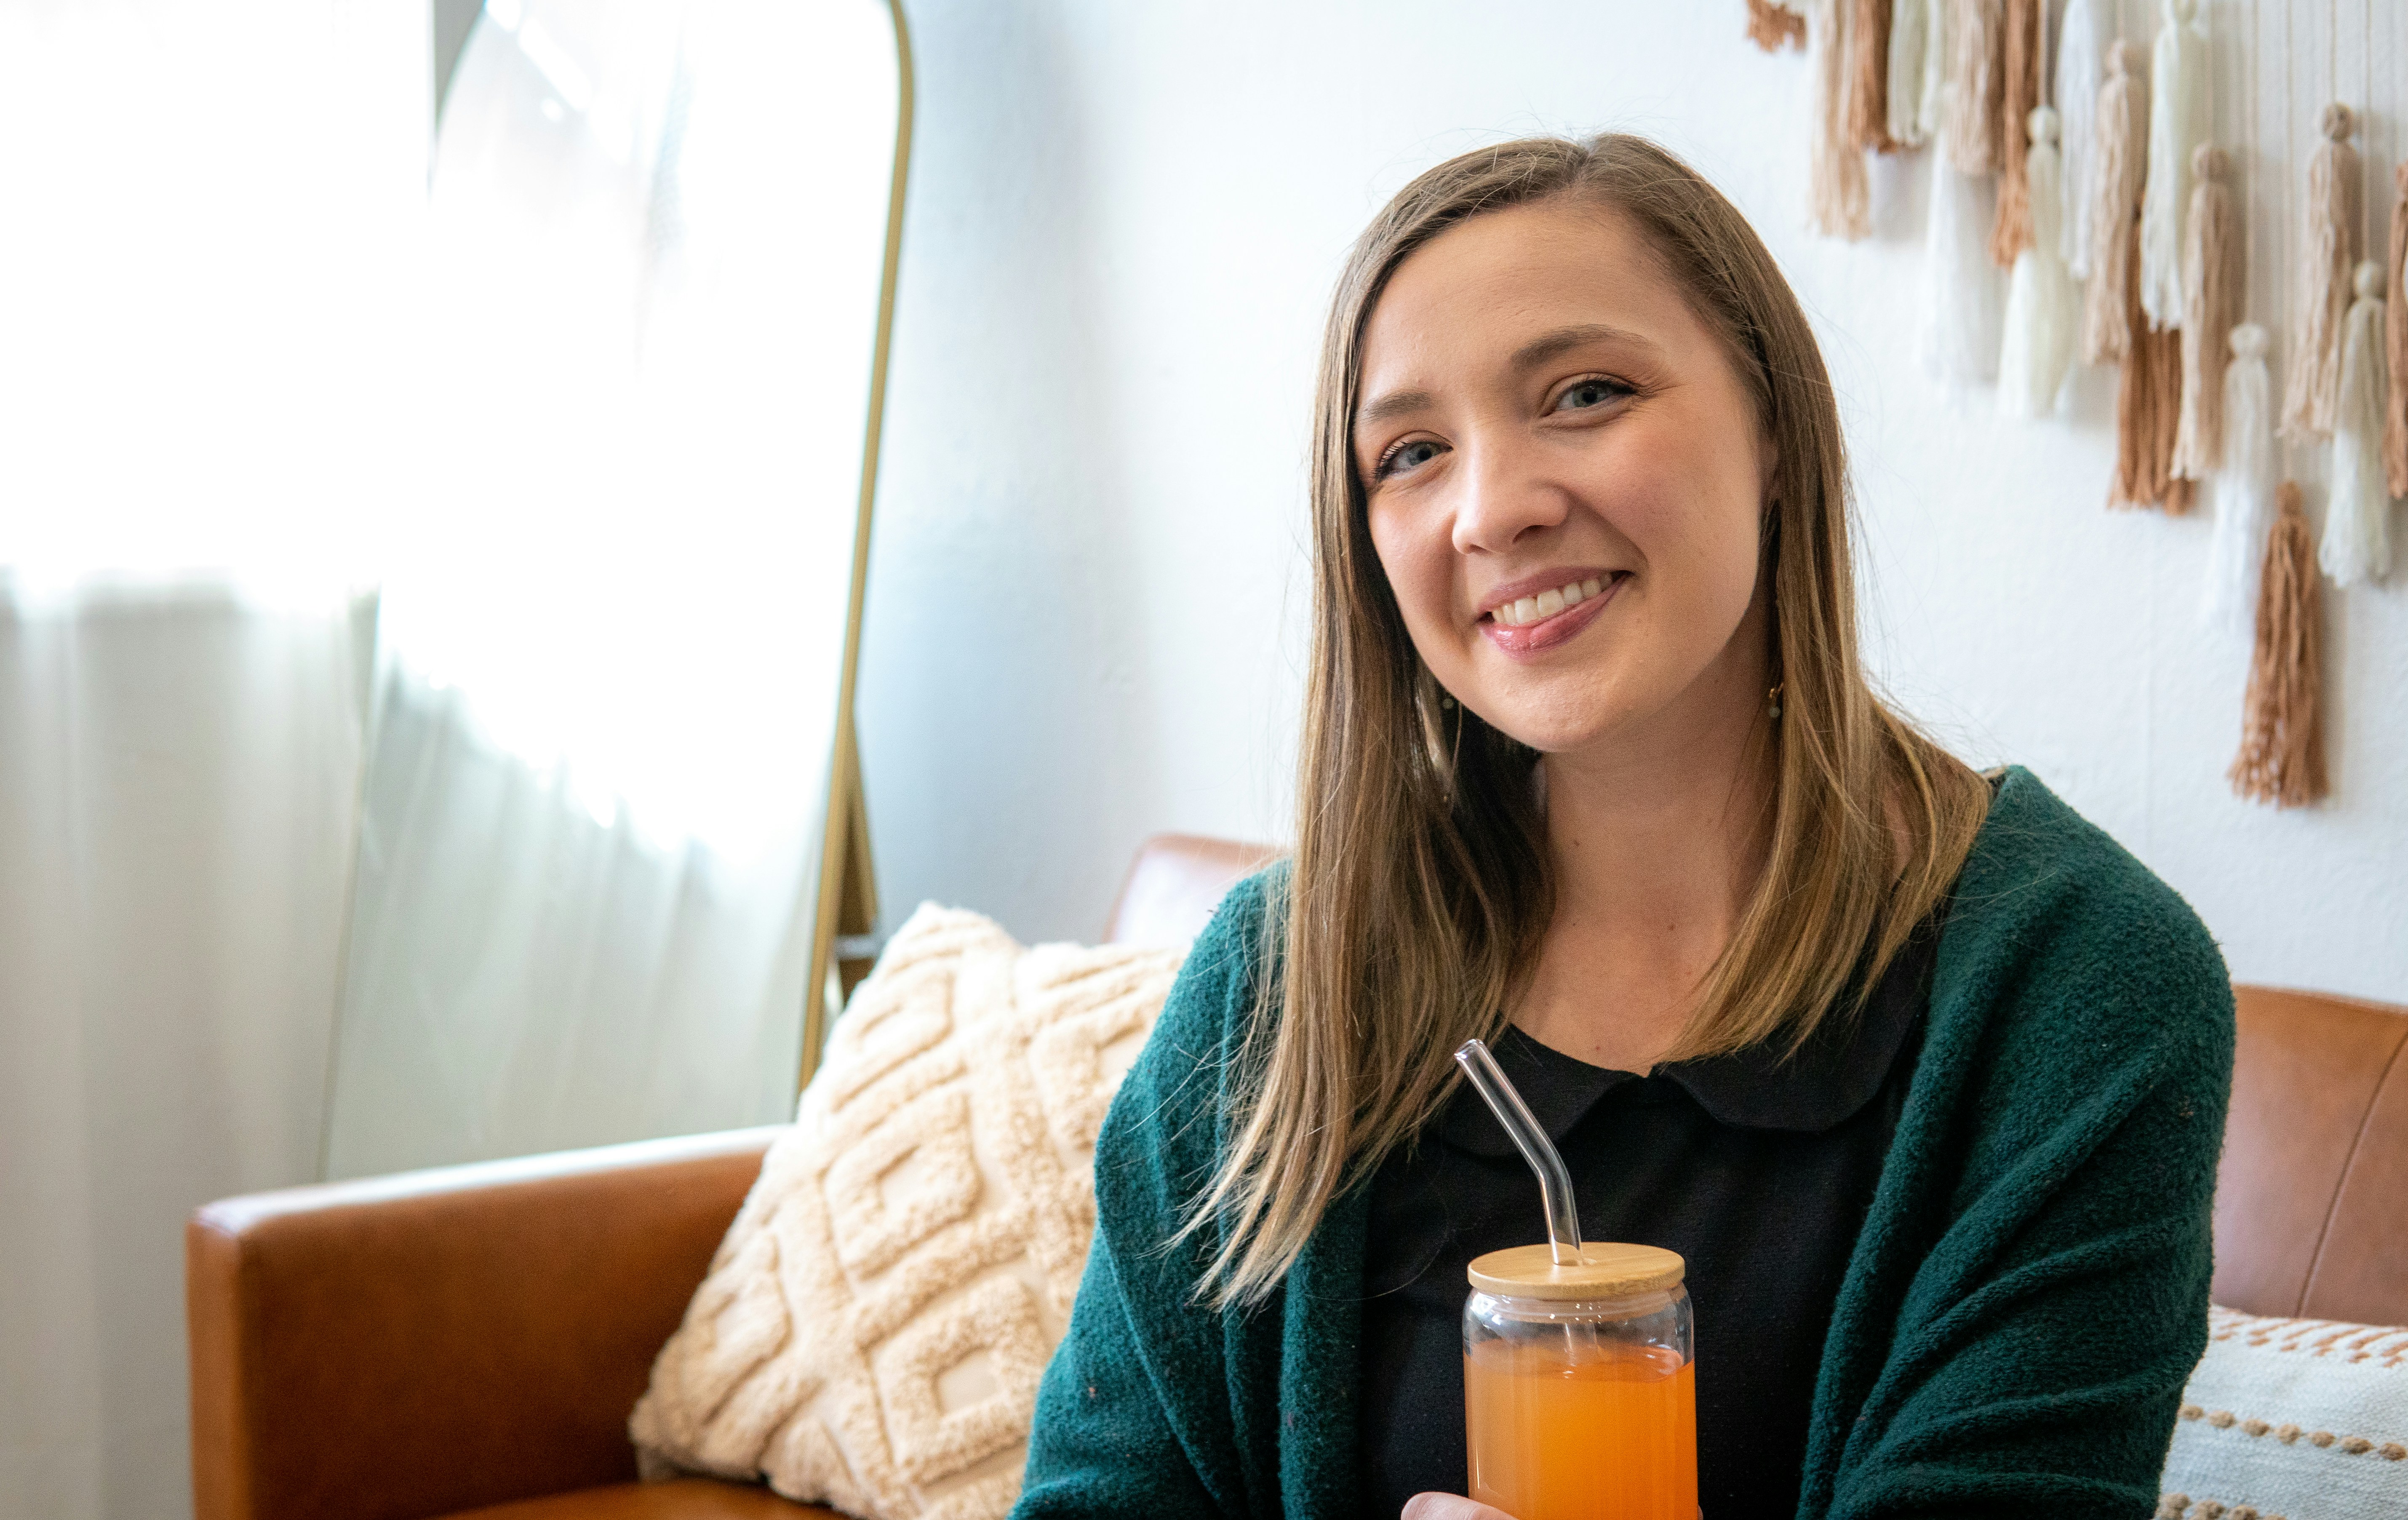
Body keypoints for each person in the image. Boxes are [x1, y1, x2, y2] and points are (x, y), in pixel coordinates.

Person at [1011, 134, 2232, 1520]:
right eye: (1411, 452)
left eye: (1584, 393)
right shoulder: (1280, 982)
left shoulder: (2081, 986)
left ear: (1773, 426)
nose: (1494, 508)